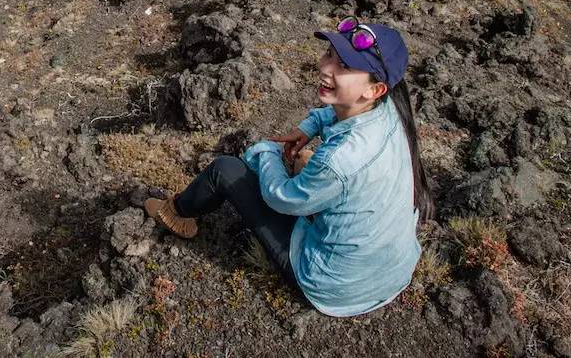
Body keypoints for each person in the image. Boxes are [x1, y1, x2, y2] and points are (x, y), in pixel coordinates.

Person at [144, 18, 434, 317]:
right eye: (330, 54)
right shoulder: (392, 112)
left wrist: (264, 152)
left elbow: (281, 198)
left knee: (225, 170)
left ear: (375, 89)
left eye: (344, 66)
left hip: (335, 286)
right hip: (393, 271)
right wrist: (309, 127)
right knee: (309, 163)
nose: (325, 66)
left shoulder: (339, 160)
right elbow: (340, 115)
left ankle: (176, 213)